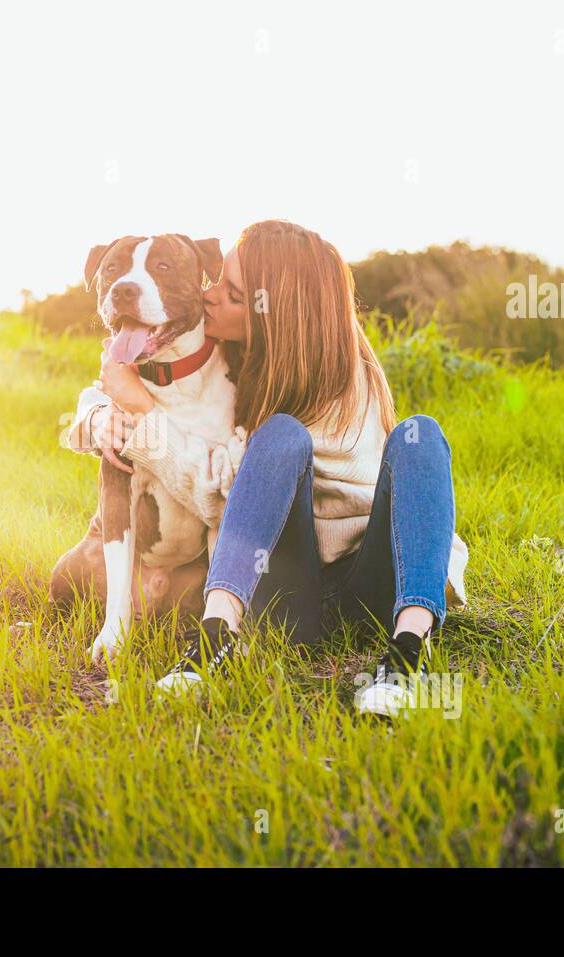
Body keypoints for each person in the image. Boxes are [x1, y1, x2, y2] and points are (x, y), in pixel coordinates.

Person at [67, 220, 468, 716]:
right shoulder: (229, 361)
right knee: (281, 434)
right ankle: (214, 642)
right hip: (284, 591)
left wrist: (146, 422)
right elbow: (152, 399)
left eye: (231, 293)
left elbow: (209, 488)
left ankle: (407, 654)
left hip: (368, 585)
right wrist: (100, 412)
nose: (210, 297)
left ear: (271, 313)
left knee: (421, 432)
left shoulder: (348, 380)